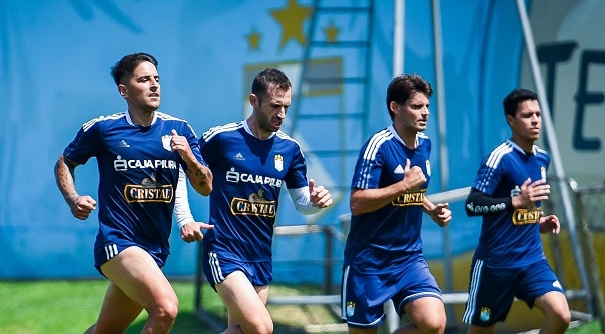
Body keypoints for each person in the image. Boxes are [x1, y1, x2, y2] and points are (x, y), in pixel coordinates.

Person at [54, 52, 213, 334]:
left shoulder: (179, 130)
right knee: (165, 309)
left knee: (105, 330)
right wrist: (73, 198)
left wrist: (189, 157)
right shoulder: (103, 129)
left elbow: (205, 187)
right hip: (117, 242)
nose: (154, 85)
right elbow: (65, 161)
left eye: (157, 79)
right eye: (144, 79)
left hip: (155, 249)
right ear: (124, 90)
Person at [198, 68, 333, 334]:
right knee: (261, 328)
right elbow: (184, 169)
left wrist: (316, 201)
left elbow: (302, 202)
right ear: (254, 101)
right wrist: (184, 219)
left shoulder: (290, 149)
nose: (281, 114)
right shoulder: (221, 138)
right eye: (275, 106)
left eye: (286, 107)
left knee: (243, 330)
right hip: (224, 250)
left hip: (260, 256)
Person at [341, 73, 452, 334]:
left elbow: (412, 190)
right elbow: (357, 202)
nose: (425, 112)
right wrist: (404, 185)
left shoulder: (425, 144)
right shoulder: (378, 146)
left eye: (427, 106)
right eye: (417, 106)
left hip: (408, 259)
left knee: (433, 324)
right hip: (368, 262)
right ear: (395, 107)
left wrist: (430, 209)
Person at [462, 88, 571, 334]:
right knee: (481, 331)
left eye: (538, 114)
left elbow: (525, 208)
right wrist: (514, 201)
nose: (535, 120)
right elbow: (473, 203)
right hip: (496, 265)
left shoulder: (542, 158)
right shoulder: (499, 158)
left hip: (532, 261)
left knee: (561, 316)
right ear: (511, 120)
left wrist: (539, 222)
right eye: (527, 115)